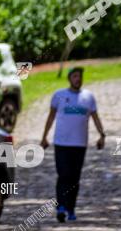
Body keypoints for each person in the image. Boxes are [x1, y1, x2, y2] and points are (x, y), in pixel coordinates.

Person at [40, 67, 106, 222]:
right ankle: (61, 206)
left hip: (80, 144)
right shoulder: (59, 95)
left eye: (80, 76)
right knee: (63, 175)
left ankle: (71, 208)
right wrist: (44, 137)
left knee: (75, 178)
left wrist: (102, 135)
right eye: (75, 76)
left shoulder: (88, 97)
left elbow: (96, 117)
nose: (78, 79)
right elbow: (50, 118)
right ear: (69, 78)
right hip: (62, 143)